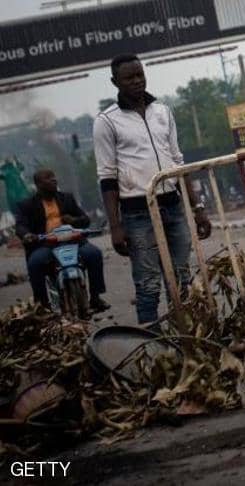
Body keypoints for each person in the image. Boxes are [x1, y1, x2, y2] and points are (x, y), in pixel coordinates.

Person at [94, 54, 211, 324]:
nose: (137, 81)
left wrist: (198, 207)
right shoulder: (106, 121)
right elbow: (107, 177)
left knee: (182, 277)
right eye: (129, 77)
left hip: (173, 205)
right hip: (137, 212)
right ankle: (152, 344)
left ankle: (187, 338)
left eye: (140, 75)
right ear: (115, 82)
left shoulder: (163, 111)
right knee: (148, 284)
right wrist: (115, 226)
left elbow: (178, 162)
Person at [13, 169, 108, 311]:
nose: (54, 179)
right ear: (38, 184)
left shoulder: (67, 198)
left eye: (54, 176)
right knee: (35, 263)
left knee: (94, 254)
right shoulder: (27, 205)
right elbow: (20, 226)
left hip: (72, 241)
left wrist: (73, 220)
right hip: (45, 244)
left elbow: (85, 220)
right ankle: (43, 306)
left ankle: (95, 298)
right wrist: (27, 235)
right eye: (48, 178)